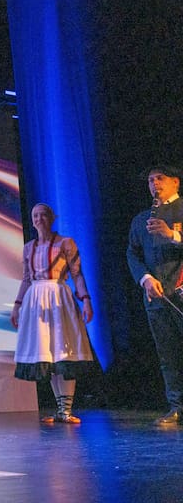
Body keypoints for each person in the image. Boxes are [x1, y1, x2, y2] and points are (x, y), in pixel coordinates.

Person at [10, 203, 95, 424]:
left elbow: (77, 274)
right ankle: (60, 410)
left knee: (62, 351)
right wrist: (17, 305)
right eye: (35, 216)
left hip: (58, 298)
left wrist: (86, 300)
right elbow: (26, 279)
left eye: (43, 215)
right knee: (48, 353)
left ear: (51, 218)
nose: (39, 219)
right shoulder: (29, 247)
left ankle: (66, 410)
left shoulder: (65, 243)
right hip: (36, 299)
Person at [127, 165, 183, 426]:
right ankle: (177, 406)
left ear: (175, 182)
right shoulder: (141, 220)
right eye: (151, 180)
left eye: (160, 178)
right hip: (157, 298)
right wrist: (146, 278)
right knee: (168, 354)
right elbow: (132, 254)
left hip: (180, 290)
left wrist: (172, 235)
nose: (154, 184)